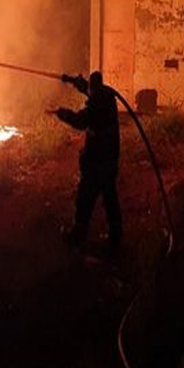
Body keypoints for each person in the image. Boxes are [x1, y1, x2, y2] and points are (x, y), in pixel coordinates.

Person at [53, 71, 123, 250]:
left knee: (85, 197)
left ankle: (78, 233)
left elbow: (79, 121)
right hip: (109, 160)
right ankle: (116, 237)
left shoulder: (95, 108)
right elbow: (89, 90)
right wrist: (73, 81)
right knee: (110, 198)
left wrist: (63, 113)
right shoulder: (107, 96)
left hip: (97, 162)